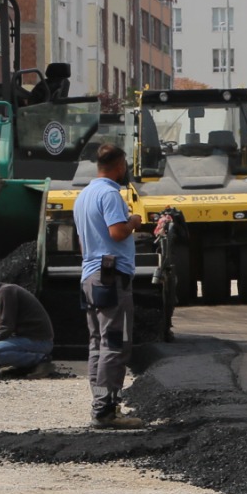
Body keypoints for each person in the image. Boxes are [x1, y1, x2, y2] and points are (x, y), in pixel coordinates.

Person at [73, 143, 139, 426]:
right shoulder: (110, 194)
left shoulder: (83, 196)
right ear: (120, 165)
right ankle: (105, 411)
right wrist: (133, 221)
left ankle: (101, 403)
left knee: (97, 343)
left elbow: (82, 242)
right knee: (114, 343)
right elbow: (117, 232)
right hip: (111, 277)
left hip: (90, 276)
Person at [0, 276, 54, 375]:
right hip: (28, 337)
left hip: (39, 342)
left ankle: (41, 360)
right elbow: (5, 325)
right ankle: (20, 363)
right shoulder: (3, 291)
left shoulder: (6, 292)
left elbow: (6, 327)